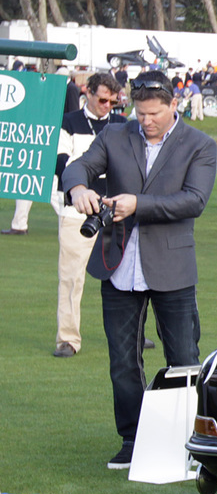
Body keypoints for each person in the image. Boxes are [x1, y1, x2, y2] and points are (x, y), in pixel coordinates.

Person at [59, 72, 217, 468]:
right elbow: (78, 166)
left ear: (173, 105)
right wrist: (77, 188)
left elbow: (193, 201)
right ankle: (132, 439)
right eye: (140, 113)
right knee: (122, 362)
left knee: (183, 358)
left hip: (173, 267)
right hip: (116, 266)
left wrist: (137, 205)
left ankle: (193, 440)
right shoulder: (115, 135)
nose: (146, 120)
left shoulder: (200, 145)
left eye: (154, 114)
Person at [52, 72, 127, 358]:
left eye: (113, 101)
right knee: (71, 277)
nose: (107, 105)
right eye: (102, 99)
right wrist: (82, 186)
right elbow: (61, 163)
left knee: (128, 276)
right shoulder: (69, 122)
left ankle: (136, 333)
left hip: (116, 210)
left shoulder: (121, 124)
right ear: (88, 93)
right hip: (76, 211)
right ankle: (68, 339)